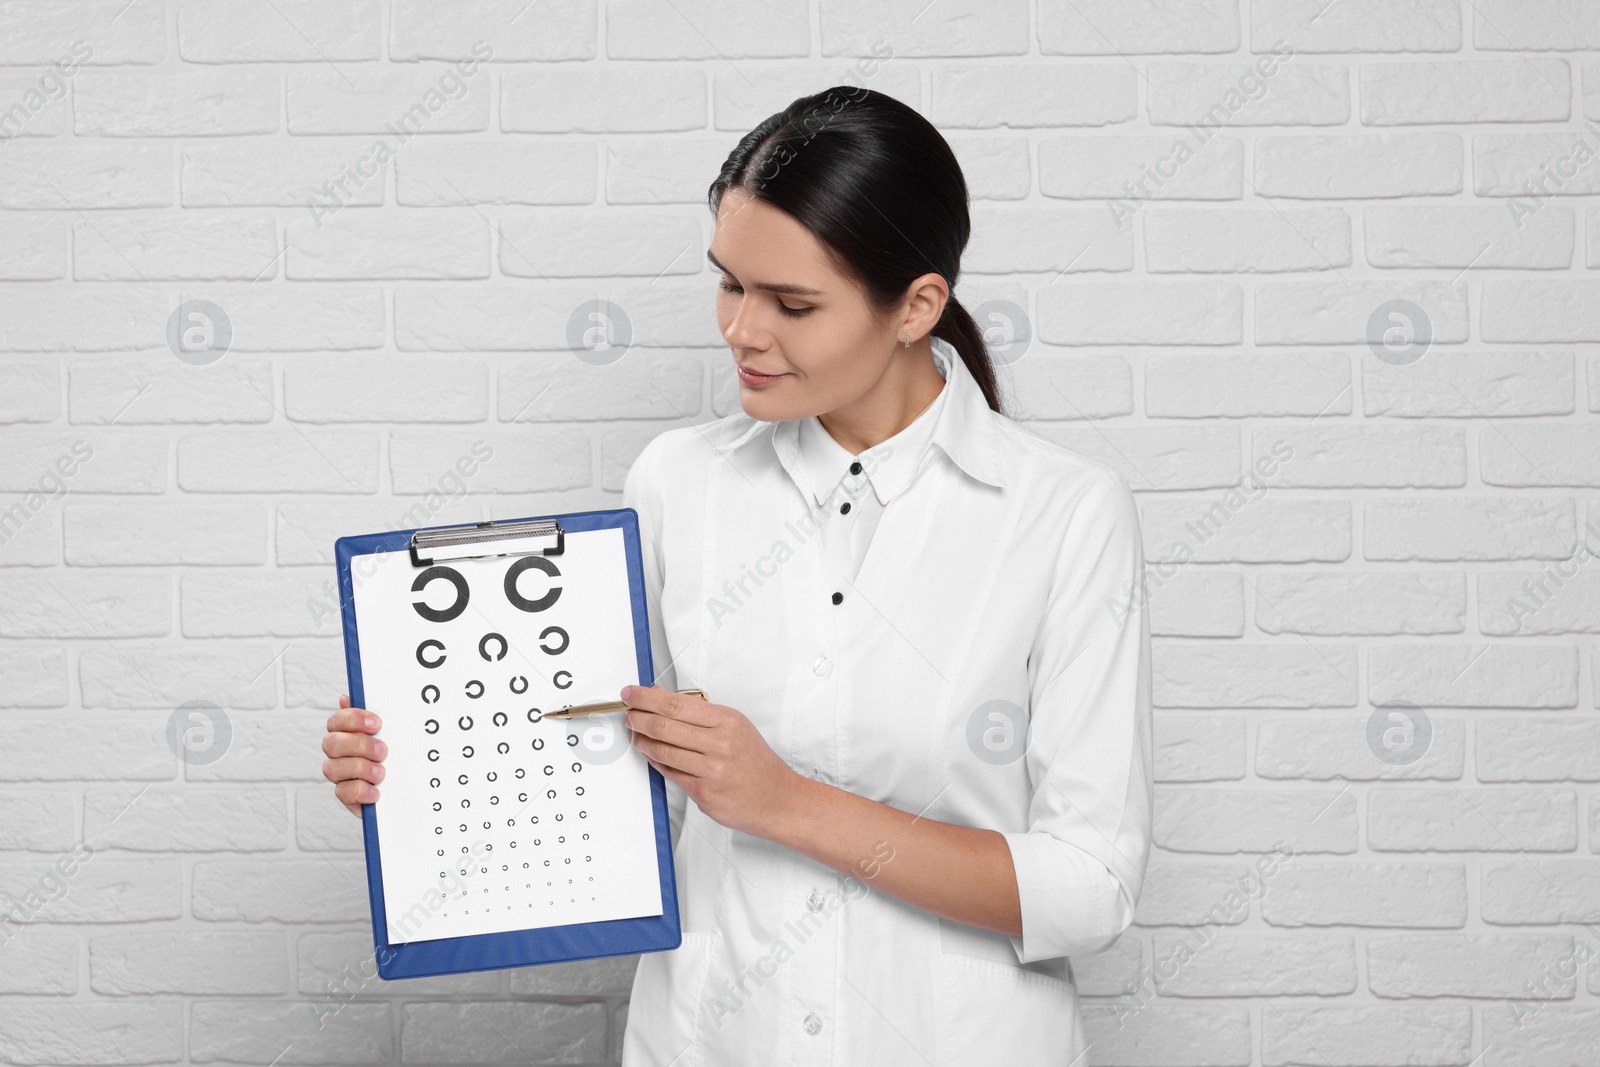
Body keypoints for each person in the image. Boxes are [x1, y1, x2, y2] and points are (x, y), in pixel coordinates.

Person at [322, 86, 1153, 1066]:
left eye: (792, 303)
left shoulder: (1062, 512)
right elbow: (623, 782)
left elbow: (1089, 884)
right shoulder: (678, 480)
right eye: (729, 283)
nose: (742, 331)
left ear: (916, 305)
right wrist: (433, 767)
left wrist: (783, 800)